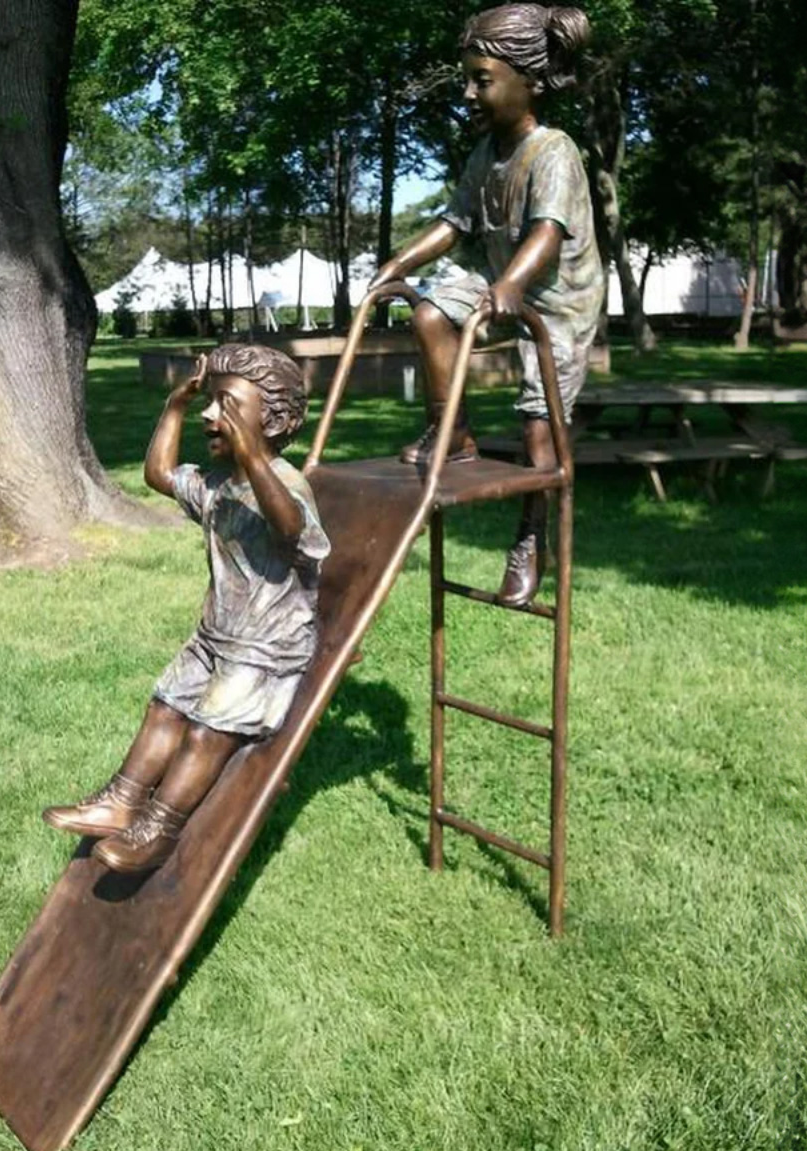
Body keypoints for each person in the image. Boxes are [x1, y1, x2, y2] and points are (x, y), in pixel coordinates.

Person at [43, 344, 331, 873]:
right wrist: (174, 404)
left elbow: (290, 529)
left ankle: (160, 827)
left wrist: (252, 459)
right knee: (165, 705)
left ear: (273, 422)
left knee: (205, 731)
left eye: (226, 405)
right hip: (217, 635)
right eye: (209, 404)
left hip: (268, 648)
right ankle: (122, 799)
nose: (209, 414)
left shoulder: (286, 487)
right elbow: (160, 474)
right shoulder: (220, 485)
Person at [370, 3, 603, 607]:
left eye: (482, 79)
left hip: (556, 298)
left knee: (538, 429)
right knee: (429, 314)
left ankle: (532, 535)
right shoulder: (484, 155)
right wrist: (399, 265)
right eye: (467, 79)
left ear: (529, 81)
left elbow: (546, 233)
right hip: (500, 277)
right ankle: (454, 434)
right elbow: (453, 224)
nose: (469, 92)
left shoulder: (555, 151)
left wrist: (512, 287)